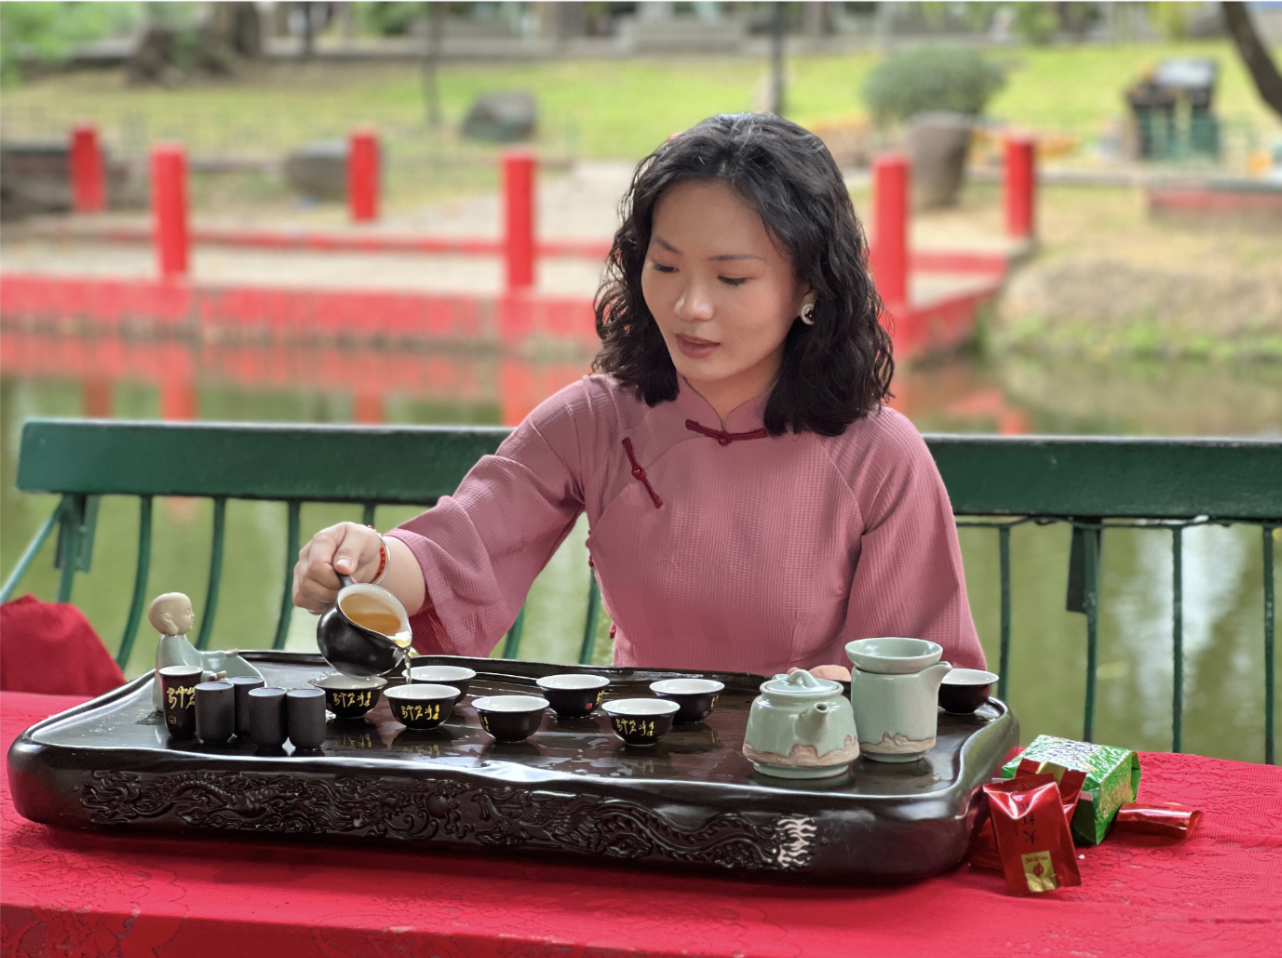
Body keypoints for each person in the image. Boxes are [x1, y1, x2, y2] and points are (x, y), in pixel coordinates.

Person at [293, 113, 985, 680]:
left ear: (810, 287)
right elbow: (460, 553)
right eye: (665, 266)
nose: (691, 306)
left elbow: (925, 669)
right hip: (639, 762)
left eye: (733, 279)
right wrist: (368, 560)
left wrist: (859, 693)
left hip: (811, 782)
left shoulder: (878, 456)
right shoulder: (595, 420)